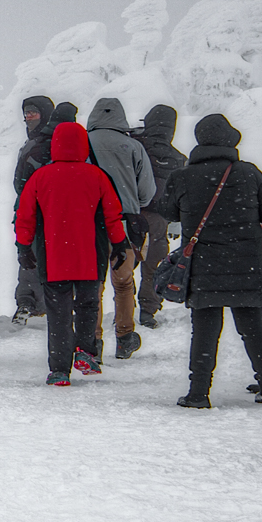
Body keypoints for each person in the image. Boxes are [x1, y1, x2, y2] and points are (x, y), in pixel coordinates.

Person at [158, 114, 262, 409]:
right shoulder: (247, 173)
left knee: (204, 329)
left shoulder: (182, 176)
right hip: (246, 265)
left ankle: (199, 393)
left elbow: (168, 211)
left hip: (204, 267)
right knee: (253, 326)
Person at [14, 120, 127, 386]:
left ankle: (59, 370)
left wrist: (23, 246)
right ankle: (86, 352)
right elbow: (113, 215)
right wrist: (120, 244)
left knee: (59, 313)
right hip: (90, 255)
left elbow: (25, 216)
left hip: (53, 257)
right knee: (88, 306)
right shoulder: (97, 176)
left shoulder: (40, 177)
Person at [85, 97, 159, 363]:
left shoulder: (83, 143)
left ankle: (92, 339)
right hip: (125, 223)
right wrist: (130, 202)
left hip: (89, 224)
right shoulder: (134, 147)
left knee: (94, 285)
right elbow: (147, 192)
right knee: (124, 283)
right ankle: (125, 336)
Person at [132, 104, 186, 329]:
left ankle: (122, 307)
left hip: (131, 214)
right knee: (154, 264)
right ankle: (148, 309)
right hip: (160, 219)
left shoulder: (135, 146)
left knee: (122, 264)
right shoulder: (177, 158)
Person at [10, 95, 57, 323]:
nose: (28, 117)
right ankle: (30, 302)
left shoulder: (46, 143)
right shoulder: (34, 143)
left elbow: (21, 182)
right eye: (26, 113)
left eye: (33, 112)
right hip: (37, 210)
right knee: (30, 256)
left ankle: (32, 302)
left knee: (31, 255)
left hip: (40, 209)